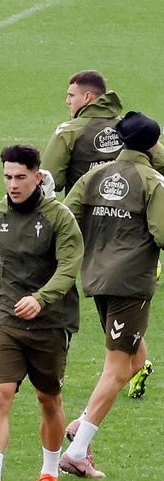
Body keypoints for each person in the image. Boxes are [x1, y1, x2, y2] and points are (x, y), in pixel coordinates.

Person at [0, 144, 82, 481]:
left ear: (37, 176)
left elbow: (69, 268)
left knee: (48, 399)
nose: (13, 184)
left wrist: (41, 298)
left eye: (20, 177)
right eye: (7, 177)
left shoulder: (59, 218)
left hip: (50, 325)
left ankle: (48, 472)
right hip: (7, 323)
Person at [42, 69, 161, 398]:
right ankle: (136, 362)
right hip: (135, 236)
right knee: (122, 316)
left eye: (70, 95)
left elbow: (48, 183)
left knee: (113, 313)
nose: (67, 101)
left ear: (87, 97)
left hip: (95, 236)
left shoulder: (71, 131)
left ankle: (81, 437)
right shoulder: (131, 128)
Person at [59, 112, 164, 479]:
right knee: (118, 369)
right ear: (152, 144)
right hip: (131, 282)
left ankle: (81, 422)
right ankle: (76, 451)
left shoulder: (93, 175)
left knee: (135, 357)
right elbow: (161, 232)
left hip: (95, 276)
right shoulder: (152, 180)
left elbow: (65, 218)